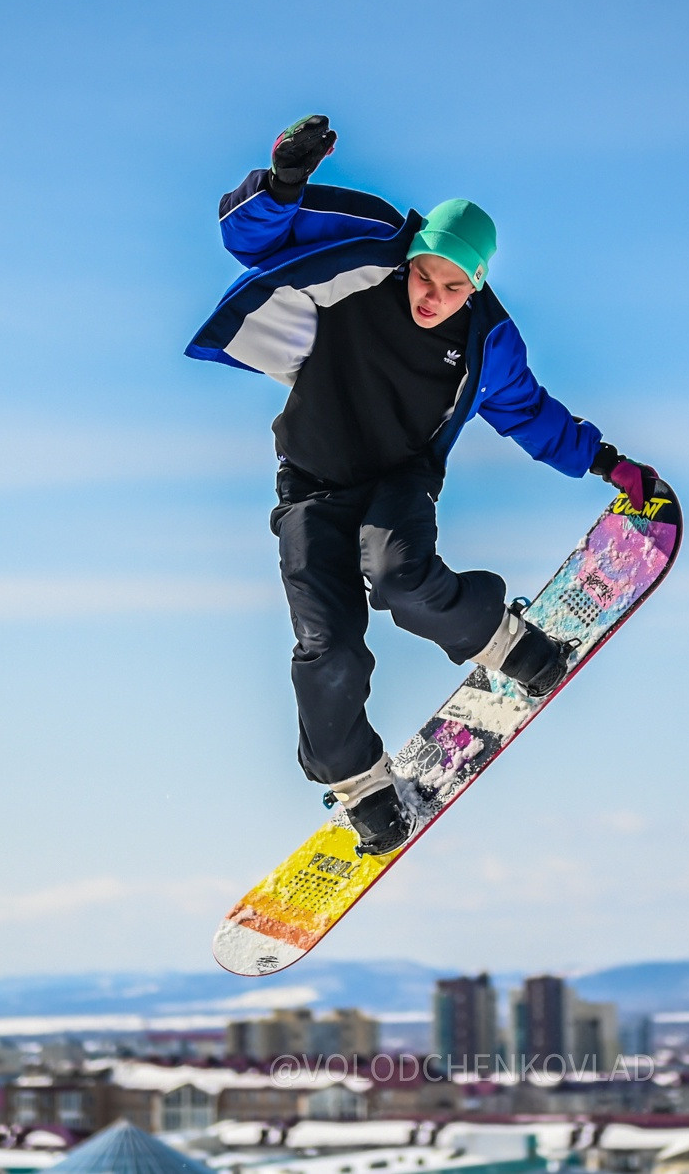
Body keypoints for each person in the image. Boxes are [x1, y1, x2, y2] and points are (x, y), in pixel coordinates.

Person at [186, 115, 657, 856]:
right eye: (424, 276)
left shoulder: (487, 343)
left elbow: (529, 412)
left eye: (454, 286)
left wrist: (605, 461)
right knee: (325, 645)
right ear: (411, 257)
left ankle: (500, 638)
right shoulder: (367, 251)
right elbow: (251, 238)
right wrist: (284, 181)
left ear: (479, 284)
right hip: (309, 485)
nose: (433, 296)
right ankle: (359, 784)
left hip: (397, 483)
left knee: (400, 577)